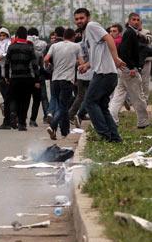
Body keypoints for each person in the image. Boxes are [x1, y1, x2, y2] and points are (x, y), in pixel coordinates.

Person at [75, 8, 125, 142]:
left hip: (104, 73)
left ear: (88, 17)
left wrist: (115, 58)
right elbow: (97, 54)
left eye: (82, 18)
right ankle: (114, 137)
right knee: (102, 106)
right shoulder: (86, 34)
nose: (79, 21)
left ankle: (104, 135)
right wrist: (86, 65)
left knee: (90, 101)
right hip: (105, 73)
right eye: (77, 19)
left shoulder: (92, 26)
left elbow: (109, 38)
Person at [108, 13, 149, 128]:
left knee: (118, 95)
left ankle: (112, 119)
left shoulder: (132, 33)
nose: (136, 22)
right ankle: (143, 122)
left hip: (124, 70)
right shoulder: (130, 33)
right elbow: (124, 52)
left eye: (138, 20)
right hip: (129, 70)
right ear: (129, 21)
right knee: (138, 97)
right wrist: (132, 68)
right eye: (133, 19)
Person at [44, 28, 81, 140]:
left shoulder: (54, 46)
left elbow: (46, 59)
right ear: (73, 37)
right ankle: (53, 125)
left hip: (55, 79)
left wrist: (49, 66)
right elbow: (81, 62)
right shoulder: (76, 46)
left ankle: (64, 131)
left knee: (60, 104)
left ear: (63, 36)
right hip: (67, 80)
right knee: (63, 106)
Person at [4, 26, 40, 131]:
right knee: (25, 100)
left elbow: (7, 63)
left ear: (17, 35)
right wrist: (37, 79)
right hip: (27, 78)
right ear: (26, 36)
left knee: (14, 98)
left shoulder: (11, 47)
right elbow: (34, 65)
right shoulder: (29, 47)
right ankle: (22, 123)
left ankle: (13, 112)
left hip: (14, 77)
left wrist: (7, 76)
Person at [28, 27, 49, 127]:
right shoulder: (43, 45)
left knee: (25, 99)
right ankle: (46, 116)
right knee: (42, 98)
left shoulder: (24, 49)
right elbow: (41, 65)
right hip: (39, 77)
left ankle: (21, 119)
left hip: (26, 77)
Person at [0, 27, 14, 129]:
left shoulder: (9, 44)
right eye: (0, 35)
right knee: (8, 98)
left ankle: (9, 121)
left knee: (8, 99)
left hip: (9, 74)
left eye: (4, 35)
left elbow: (8, 54)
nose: (2, 37)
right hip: (3, 72)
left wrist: (1, 56)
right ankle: (11, 120)